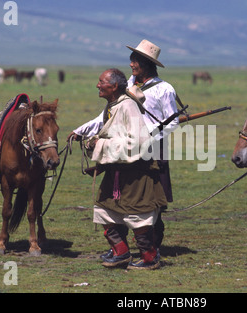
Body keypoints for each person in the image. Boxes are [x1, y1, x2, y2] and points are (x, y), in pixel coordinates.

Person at [70, 69, 167, 270]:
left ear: (114, 86)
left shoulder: (128, 106)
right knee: (105, 209)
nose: (97, 85)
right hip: (117, 170)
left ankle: (150, 258)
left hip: (136, 172)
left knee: (138, 215)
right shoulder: (113, 105)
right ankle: (120, 252)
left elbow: (139, 142)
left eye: (101, 82)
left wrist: (100, 144)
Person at [126, 39, 180, 256]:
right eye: (131, 60)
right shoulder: (131, 87)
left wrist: (149, 137)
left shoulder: (165, 89)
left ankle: (152, 248)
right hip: (130, 150)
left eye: (135, 61)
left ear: (147, 64)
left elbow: (173, 121)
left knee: (154, 201)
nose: (131, 64)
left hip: (154, 151)